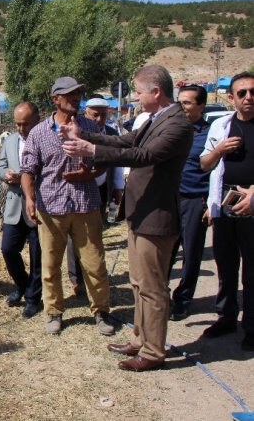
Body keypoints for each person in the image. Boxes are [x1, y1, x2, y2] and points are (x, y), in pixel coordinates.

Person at [62, 64, 193, 371]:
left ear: (156, 92)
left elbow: (142, 156)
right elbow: (127, 142)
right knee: (138, 283)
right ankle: (140, 338)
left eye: (137, 91)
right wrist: (83, 135)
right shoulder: (157, 119)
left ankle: (153, 352)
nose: (135, 97)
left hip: (156, 217)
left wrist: (90, 149)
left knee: (153, 287)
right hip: (140, 213)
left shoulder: (177, 124)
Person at [20, 76, 115, 336]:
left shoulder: (90, 128)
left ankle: (101, 312)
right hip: (51, 208)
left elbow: (106, 159)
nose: (76, 97)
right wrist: (29, 199)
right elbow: (28, 170)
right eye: (70, 94)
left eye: (78, 93)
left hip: (86, 205)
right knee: (50, 264)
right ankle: (54, 312)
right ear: (55, 99)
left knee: (94, 263)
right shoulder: (38, 133)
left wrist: (90, 174)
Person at [199, 71, 254, 351]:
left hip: (252, 201)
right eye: (241, 93)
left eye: (252, 92)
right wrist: (219, 150)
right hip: (225, 202)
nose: (248, 97)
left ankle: (252, 326)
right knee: (226, 263)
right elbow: (205, 165)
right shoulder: (221, 125)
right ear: (231, 97)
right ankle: (226, 317)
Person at [67, 97, 125, 296]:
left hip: (102, 190)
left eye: (104, 114)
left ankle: (94, 274)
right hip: (80, 189)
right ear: (86, 114)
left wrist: (118, 188)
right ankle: (77, 279)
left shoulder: (112, 134)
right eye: (95, 114)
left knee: (96, 233)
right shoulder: (81, 134)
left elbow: (117, 162)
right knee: (76, 236)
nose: (100, 119)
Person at [0, 102, 43, 318]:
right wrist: (6, 174)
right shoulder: (9, 141)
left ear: (37, 121)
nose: (21, 129)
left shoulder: (45, 139)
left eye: (26, 124)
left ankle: (33, 299)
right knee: (7, 249)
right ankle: (22, 285)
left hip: (39, 206)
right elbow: (0, 165)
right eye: (18, 124)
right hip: (14, 204)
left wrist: (29, 179)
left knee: (37, 256)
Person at [168, 84, 211, 321]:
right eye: (179, 102)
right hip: (168, 198)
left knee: (191, 252)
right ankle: (160, 296)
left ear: (201, 106)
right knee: (164, 250)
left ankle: (183, 300)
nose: (181, 107)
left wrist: (210, 203)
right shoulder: (173, 129)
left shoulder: (209, 133)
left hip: (195, 200)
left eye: (187, 103)